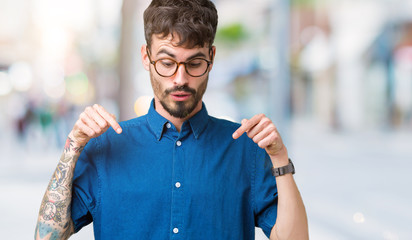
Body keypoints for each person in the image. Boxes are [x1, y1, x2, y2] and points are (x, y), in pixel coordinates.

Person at [34, 0, 308, 239]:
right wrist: (73, 145)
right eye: (167, 63)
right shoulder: (104, 146)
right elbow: (47, 236)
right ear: (146, 56)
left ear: (211, 58)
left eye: (194, 63)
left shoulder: (246, 148)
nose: (180, 79)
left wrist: (280, 158)